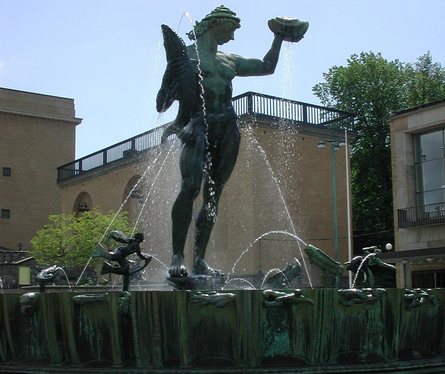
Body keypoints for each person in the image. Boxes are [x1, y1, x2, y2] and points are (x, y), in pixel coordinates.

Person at [168, 5, 290, 278]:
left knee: (213, 196)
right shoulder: (185, 58)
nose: (233, 37)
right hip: (198, 126)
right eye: (230, 30)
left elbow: (266, 67)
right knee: (189, 187)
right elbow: (166, 99)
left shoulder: (229, 60)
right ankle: (177, 255)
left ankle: (198, 260)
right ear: (215, 25)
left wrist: (279, 37)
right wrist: (180, 128)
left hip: (227, 128)